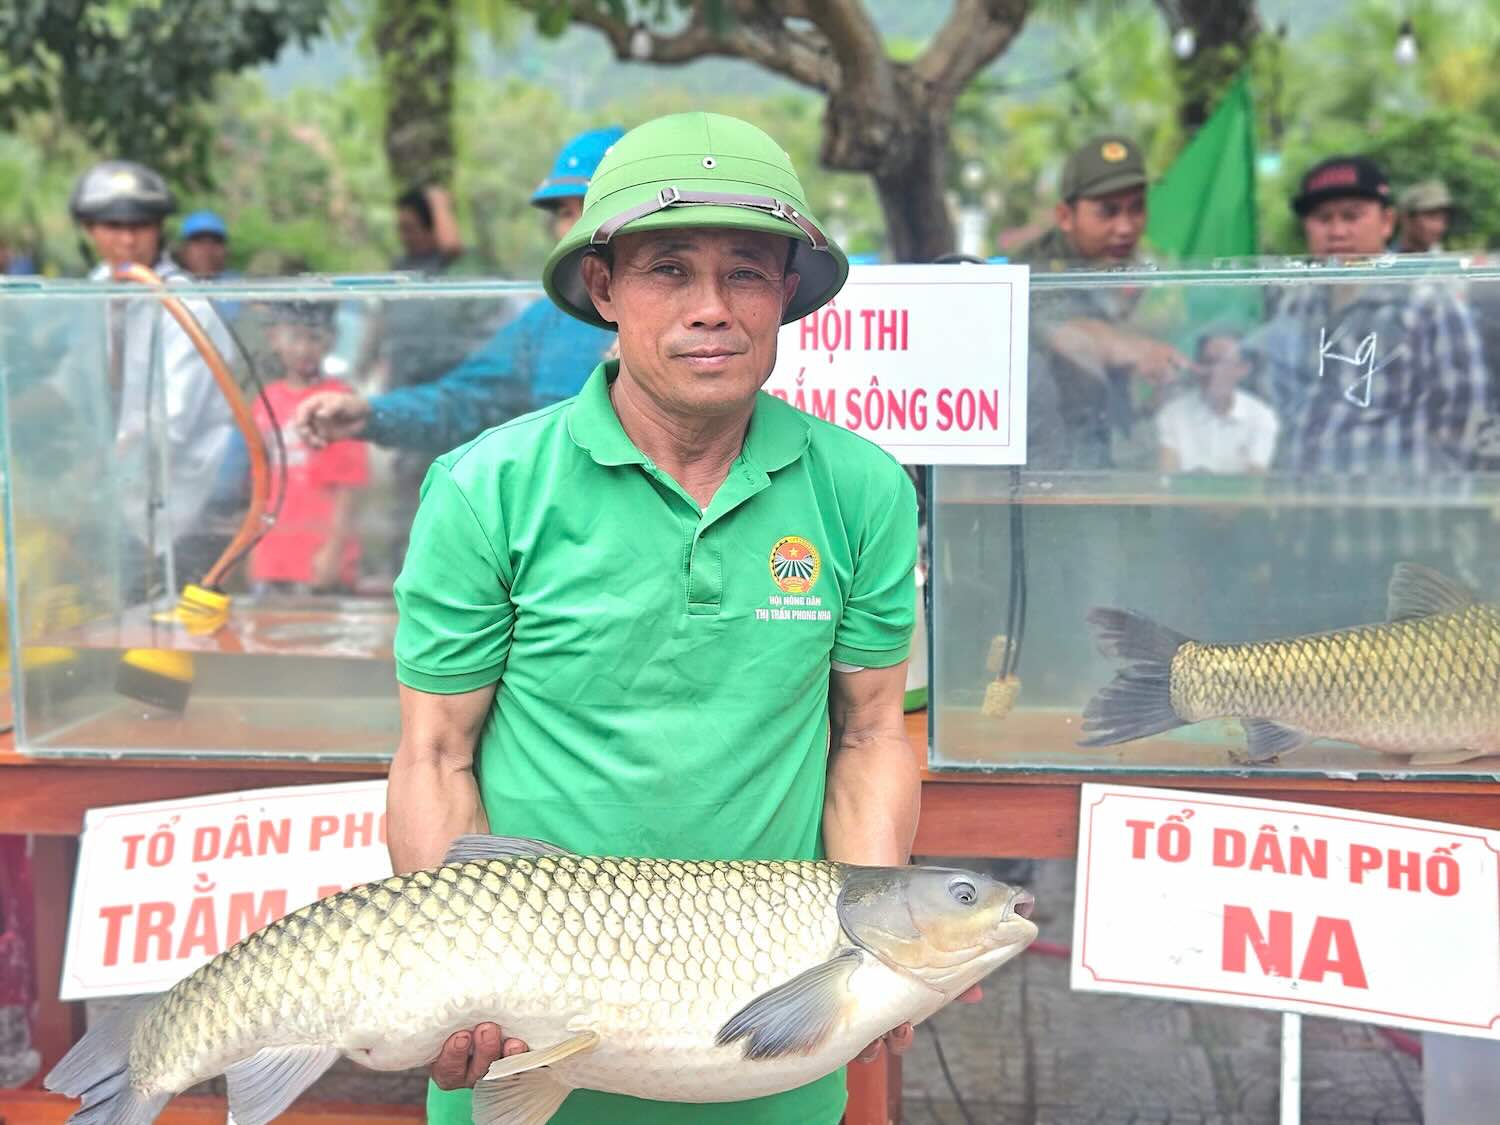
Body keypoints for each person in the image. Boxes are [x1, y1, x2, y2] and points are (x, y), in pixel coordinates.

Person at [389, 111, 952, 1125]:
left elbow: (869, 733)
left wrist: (880, 937)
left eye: (745, 271)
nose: (713, 310)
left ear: (786, 290)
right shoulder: (486, 489)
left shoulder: (862, 489)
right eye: (668, 271)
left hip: (769, 1030)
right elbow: (435, 755)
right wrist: (460, 982)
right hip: (532, 1037)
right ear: (602, 288)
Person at [295, 127, 625, 456]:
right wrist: (369, 414)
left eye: (591, 206)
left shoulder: (670, 315)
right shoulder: (547, 322)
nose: (572, 227)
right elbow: (467, 399)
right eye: (565, 213)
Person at [1244, 155, 1487, 474]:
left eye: (1351, 216)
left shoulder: (1427, 303)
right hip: (1301, 509)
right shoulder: (1297, 302)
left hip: (1390, 513)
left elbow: (1463, 421)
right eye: (1322, 218)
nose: (1337, 231)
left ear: (1387, 222)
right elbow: (1273, 400)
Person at [70, 159, 237, 590]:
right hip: (109, 502)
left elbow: (172, 423)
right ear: (89, 229)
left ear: (159, 228)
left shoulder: (185, 304)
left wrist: (96, 467)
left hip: (181, 503)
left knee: (163, 632)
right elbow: (73, 381)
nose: (127, 239)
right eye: (112, 225)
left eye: (141, 225)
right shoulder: (90, 290)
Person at [1012, 135, 1195, 469]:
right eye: (1107, 212)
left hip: (1124, 461)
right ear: (1066, 216)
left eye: (1136, 208)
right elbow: (1069, 334)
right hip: (1051, 470)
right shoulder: (1033, 270)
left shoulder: (1148, 271)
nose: (1125, 227)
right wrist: (1139, 351)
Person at [248, 301, 369, 594]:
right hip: (271, 556)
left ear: (330, 341)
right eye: (294, 337)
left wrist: (333, 552)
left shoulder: (338, 400)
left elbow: (347, 488)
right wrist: (252, 545)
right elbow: (259, 484)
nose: (304, 349)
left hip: (318, 558)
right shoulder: (266, 400)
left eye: (314, 338)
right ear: (275, 339)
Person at [1157, 328, 1279, 473]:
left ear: (1243, 369)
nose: (1213, 371)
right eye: (1206, 362)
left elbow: (1254, 487)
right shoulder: (1172, 415)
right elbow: (1166, 482)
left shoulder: (1261, 418)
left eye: (1222, 363)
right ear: (1196, 366)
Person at [1396, 179, 1453, 254]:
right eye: (1432, 217)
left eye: (1444, 219)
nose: (1440, 227)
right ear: (1406, 218)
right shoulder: (1383, 260)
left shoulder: (1444, 261)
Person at [176, 210, 231, 280]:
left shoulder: (240, 285)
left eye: (216, 242)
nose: (207, 249)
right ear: (183, 251)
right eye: (199, 241)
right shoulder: (167, 284)